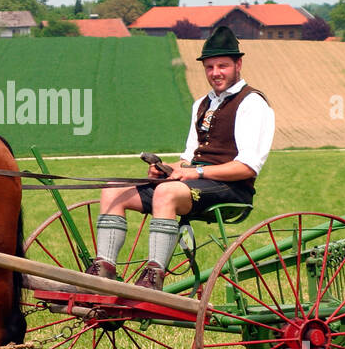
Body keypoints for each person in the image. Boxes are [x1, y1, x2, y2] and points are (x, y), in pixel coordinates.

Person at [88, 25, 275, 290]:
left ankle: (154, 277)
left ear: (238, 64)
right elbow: (189, 158)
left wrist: (195, 173)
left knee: (166, 193)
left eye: (222, 66)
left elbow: (247, 167)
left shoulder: (252, 104)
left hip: (232, 189)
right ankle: (103, 271)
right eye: (209, 67)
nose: (215, 73)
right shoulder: (201, 104)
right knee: (112, 190)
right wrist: (166, 168)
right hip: (193, 183)